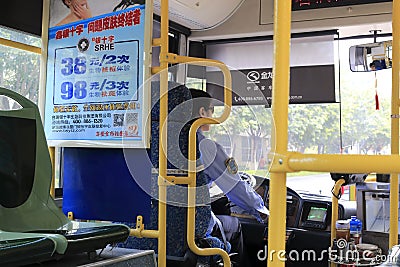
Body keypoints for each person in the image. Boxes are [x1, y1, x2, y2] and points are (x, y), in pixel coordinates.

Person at [189, 88, 269, 267]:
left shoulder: (156, 143)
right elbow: (236, 189)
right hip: (192, 229)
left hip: (154, 227)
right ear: (203, 112)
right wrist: (262, 213)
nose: (214, 115)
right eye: (212, 110)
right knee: (234, 224)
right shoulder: (205, 146)